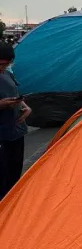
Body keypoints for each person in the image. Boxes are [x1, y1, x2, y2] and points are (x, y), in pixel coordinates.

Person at [0, 43, 32, 200]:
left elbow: (16, 92)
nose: (4, 67)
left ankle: (13, 204)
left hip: (17, 130)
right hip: (2, 134)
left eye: (7, 64)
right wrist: (2, 104)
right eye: (2, 64)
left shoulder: (7, 74)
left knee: (15, 171)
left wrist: (25, 106)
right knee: (3, 176)